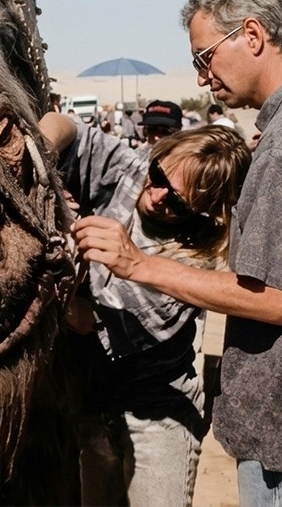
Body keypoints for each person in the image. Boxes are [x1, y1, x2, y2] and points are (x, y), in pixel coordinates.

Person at [73, 0, 282, 507]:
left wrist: (139, 265)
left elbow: (271, 299)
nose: (202, 77)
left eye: (204, 57)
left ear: (251, 35)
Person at [45, 116, 251, 507]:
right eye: (159, 177)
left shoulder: (202, 258)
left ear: (205, 212)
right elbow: (63, 125)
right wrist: (37, 153)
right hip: (93, 400)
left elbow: (89, 321)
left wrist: (59, 284)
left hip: (157, 415)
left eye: (177, 201)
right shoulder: (135, 169)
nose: (157, 196)